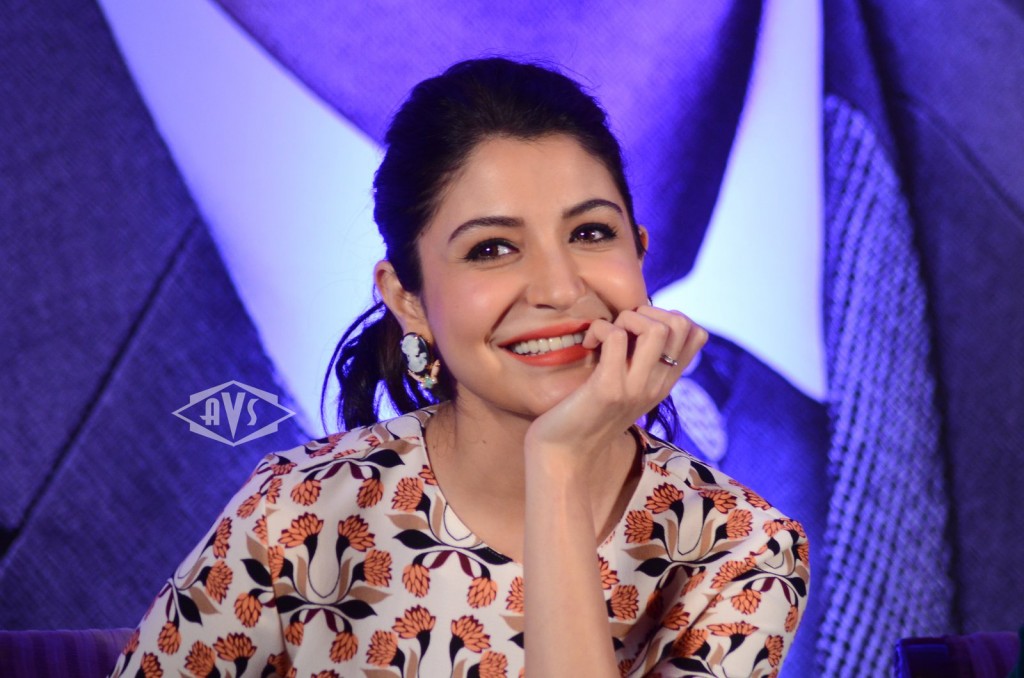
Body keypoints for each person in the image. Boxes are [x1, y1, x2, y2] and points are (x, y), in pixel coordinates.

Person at [111, 57, 809, 678]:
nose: (559, 288)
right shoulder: (298, 509)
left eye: (591, 233)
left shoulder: (744, 550)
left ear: (640, 253)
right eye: (491, 249)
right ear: (407, 299)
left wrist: (558, 466)